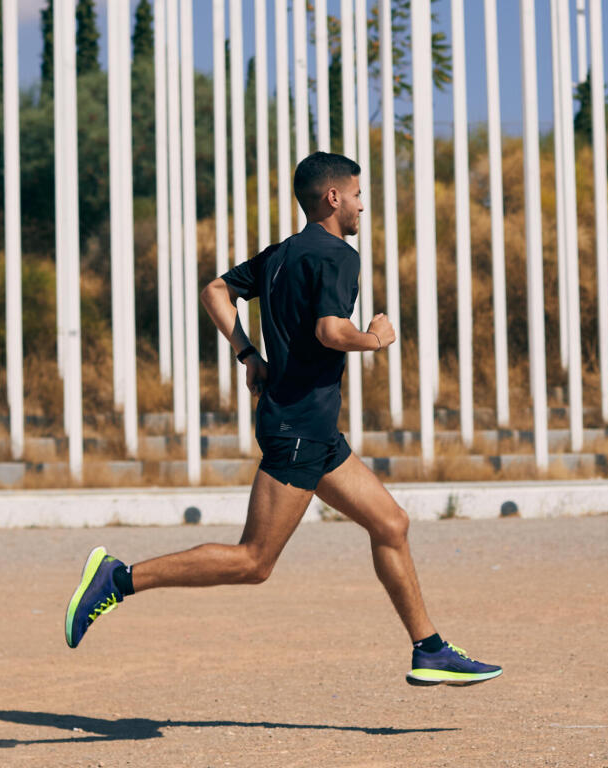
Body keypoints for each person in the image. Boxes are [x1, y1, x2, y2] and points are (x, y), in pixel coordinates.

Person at [62, 151, 502, 687]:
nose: (364, 206)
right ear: (333, 197)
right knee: (254, 561)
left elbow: (215, 291)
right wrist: (375, 340)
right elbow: (329, 331)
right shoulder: (339, 256)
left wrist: (248, 355)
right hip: (298, 430)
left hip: (310, 428)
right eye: (358, 195)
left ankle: (428, 649)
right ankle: (119, 578)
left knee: (391, 523)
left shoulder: (280, 254)